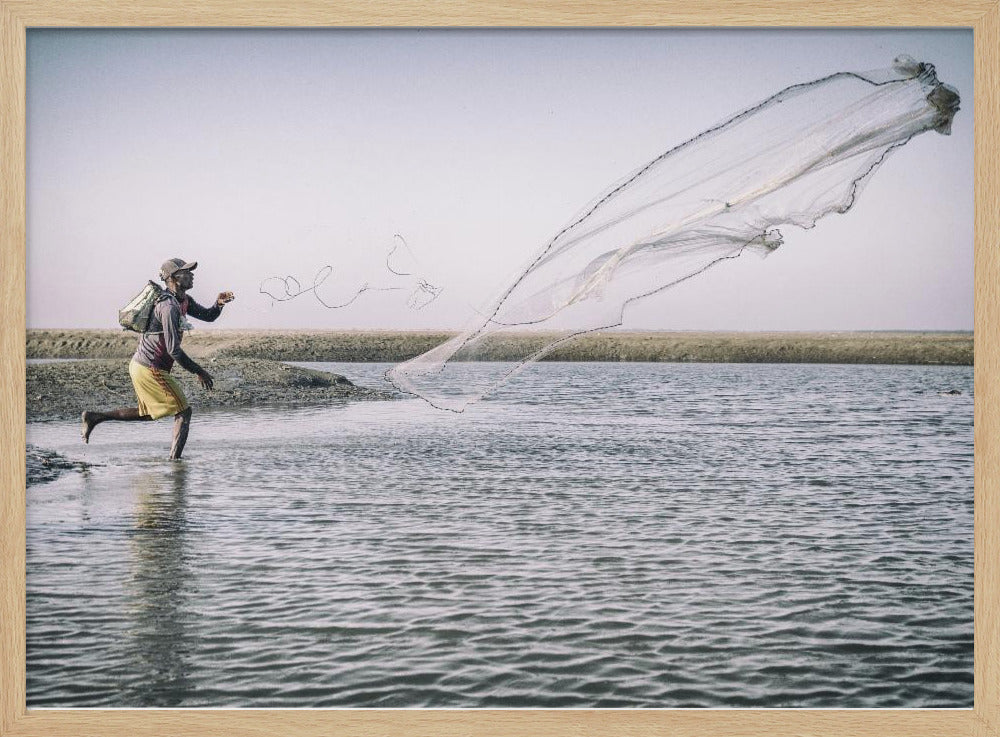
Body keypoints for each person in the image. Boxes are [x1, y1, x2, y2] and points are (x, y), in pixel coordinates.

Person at [81, 258, 235, 460]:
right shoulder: (168, 306)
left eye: (190, 271)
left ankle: (95, 417)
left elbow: (208, 316)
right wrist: (200, 371)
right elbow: (174, 350)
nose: (192, 275)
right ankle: (175, 465)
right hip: (150, 367)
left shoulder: (183, 300)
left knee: (148, 413)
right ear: (173, 279)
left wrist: (218, 304)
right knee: (184, 412)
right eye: (186, 272)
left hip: (142, 366)